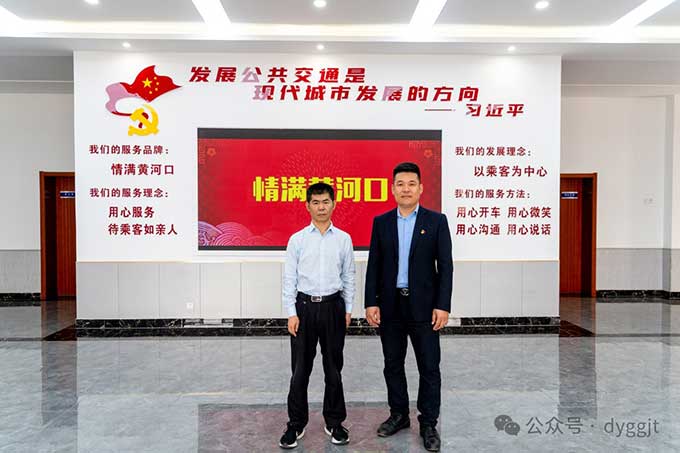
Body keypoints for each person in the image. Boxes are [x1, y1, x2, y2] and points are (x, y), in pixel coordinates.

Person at [364, 162, 453, 452]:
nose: (406, 189)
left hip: (425, 308)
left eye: (411, 184)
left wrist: (442, 305)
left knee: (429, 366)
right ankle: (399, 415)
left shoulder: (436, 221)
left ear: (421, 188)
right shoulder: (382, 222)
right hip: (390, 306)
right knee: (392, 364)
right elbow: (374, 264)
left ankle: (429, 423)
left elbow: (446, 267)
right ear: (392, 189)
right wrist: (370, 301)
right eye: (400, 184)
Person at [279, 182, 356, 449]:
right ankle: (295, 424)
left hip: (334, 307)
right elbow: (289, 279)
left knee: (333, 369)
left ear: (334, 204)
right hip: (304, 309)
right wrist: (291, 313)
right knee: (300, 370)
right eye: (316, 202)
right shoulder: (297, 240)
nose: (321, 207)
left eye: (325, 202)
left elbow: (349, 276)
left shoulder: (343, 239)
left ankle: (334, 422)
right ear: (307, 206)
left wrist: (348, 309)